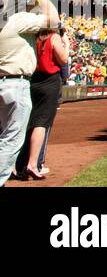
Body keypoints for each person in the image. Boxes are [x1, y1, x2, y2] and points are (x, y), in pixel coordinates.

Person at [0, 0, 59, 185]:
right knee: (11, 138)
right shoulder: (15, 20)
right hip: (15, 83)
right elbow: (54, 20)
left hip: (4, 81)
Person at [14, 23, 68, 179]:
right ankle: (33, 163)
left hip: (32, 80)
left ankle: (17, 164)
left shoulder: (32, 37)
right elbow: (63, 60)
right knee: (41, 123)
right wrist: (67, 45)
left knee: (27, 121)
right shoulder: (53, 37)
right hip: (49, 81)